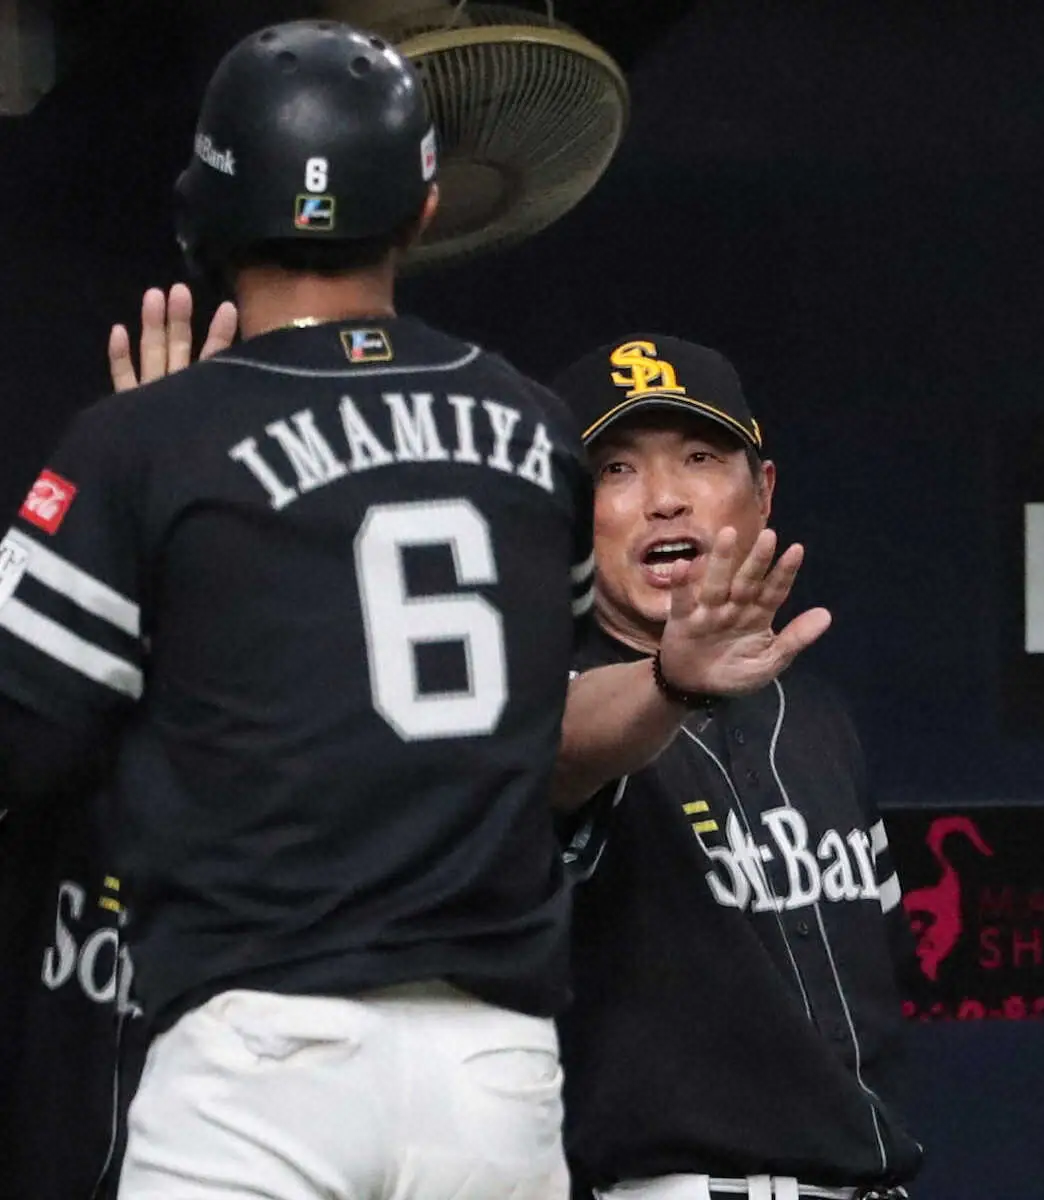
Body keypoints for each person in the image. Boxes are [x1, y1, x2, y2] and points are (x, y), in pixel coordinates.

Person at [0, 21, 829, 1200]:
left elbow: (26, 733)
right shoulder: (531, 430)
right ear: (426, 208)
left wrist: (157, 520)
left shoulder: (149, 438)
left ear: (206, 212)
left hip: (259, 1053)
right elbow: (537, 718)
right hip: (490, 1070)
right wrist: (666, 683)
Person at [549, 335, 924, 1200]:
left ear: (764, 492)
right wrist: (670, 682)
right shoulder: (545, 703)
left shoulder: (818, 716)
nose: (665, 499)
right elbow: (559, 748)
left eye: (701, 457)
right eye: (615, 470)